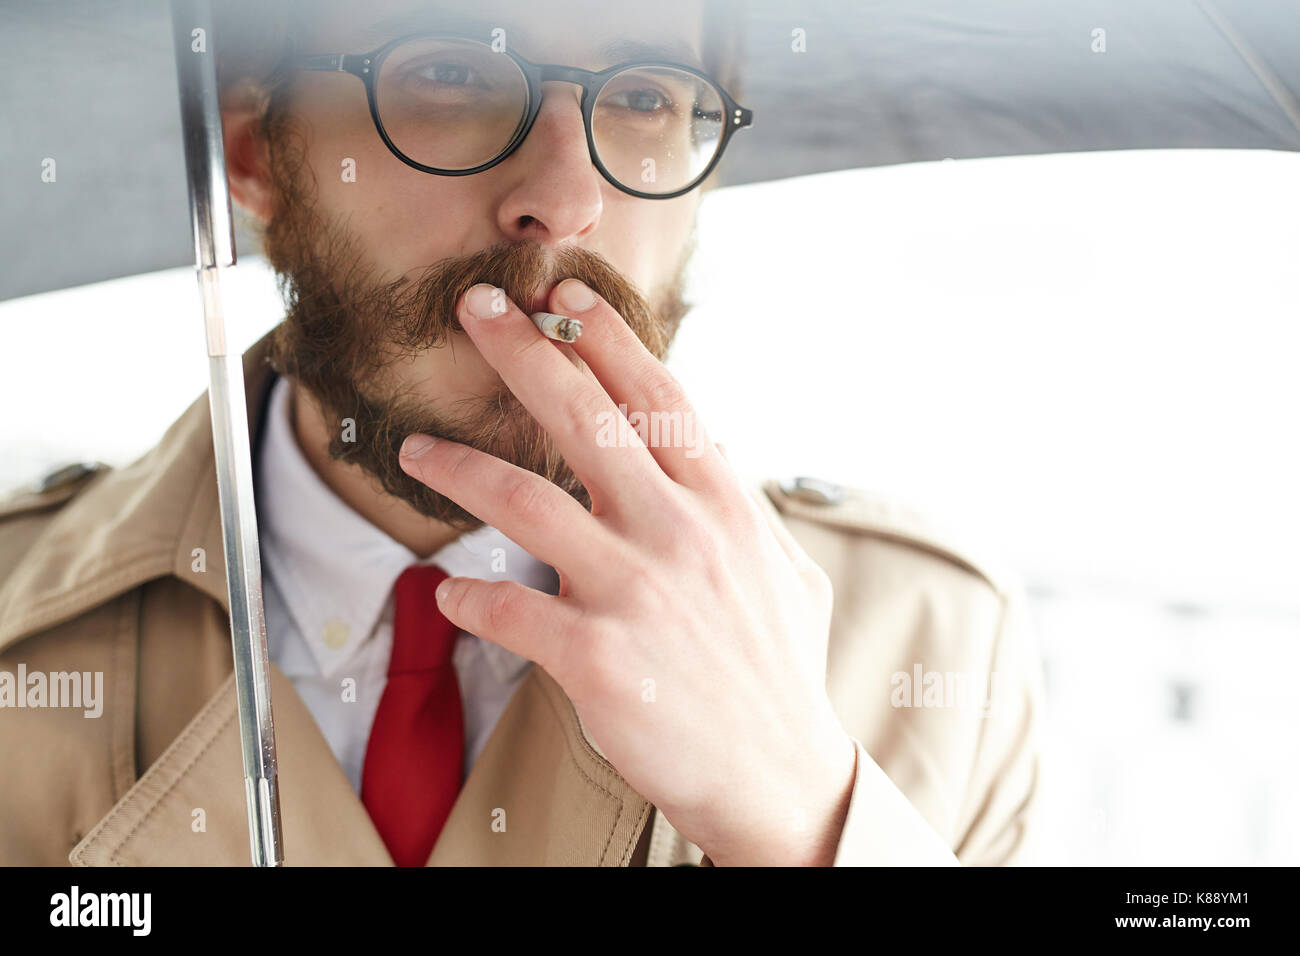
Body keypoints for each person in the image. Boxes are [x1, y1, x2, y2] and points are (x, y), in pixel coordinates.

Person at [0, 0, 1043, 866]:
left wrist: (809, 811)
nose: (565, 198)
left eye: (642, 96)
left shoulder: (932, 648)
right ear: (254, 151)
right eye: (452, 73)